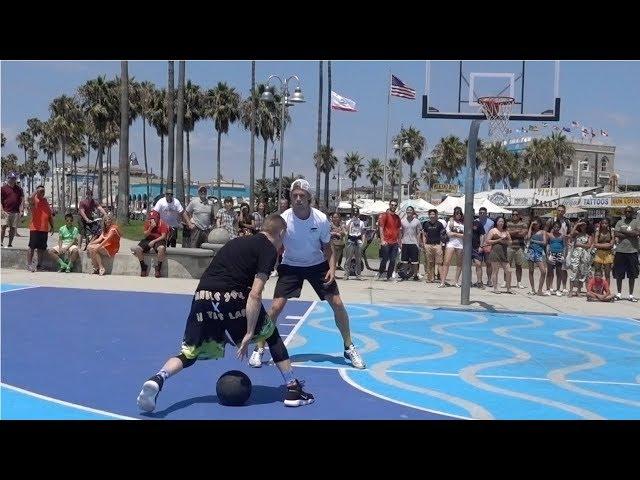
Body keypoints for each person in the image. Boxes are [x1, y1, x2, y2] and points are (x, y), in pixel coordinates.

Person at [136, 214, 314, 412]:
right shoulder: (268, 249)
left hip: (202, 297)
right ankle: (292, 389)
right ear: (281, 232)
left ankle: (158, 378)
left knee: (189, 353)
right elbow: (255, 294)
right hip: (232, 296)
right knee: (271, 334)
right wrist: (249, 333)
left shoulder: (237, 241)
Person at [248, 179, 366, 370]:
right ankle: (260, 348)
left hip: (316, 265)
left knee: (337, 303)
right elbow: (273, 246)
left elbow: (328, 248)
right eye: (294, 195)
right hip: (290, 265)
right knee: (276, 307)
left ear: (309, 198)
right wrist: (266, 268)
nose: (298, 199)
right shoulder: (283, 219)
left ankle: (348, 346)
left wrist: (332, 270)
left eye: (302, 196)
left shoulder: (320, 219)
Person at [613, 206, 640, 302]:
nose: (628, 213)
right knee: (619, 274)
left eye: (630, 212)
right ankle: (619, 293)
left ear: (632, 213)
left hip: (632, 251)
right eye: (626, 212)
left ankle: (631, 295)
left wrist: (623, 231)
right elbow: (616, 233)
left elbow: (637, 233)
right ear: (624, 213)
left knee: (632, 274)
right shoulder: (620, 222)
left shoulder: (636, 222)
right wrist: (630, 233)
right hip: (620, 251)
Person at [133, 210, 170, 277]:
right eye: (151, 218)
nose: (152, 220)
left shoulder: (162, 223)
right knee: (138, 249)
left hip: (159, 239)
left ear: (158, 218)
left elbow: (163, 236)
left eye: (154, 218)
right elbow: (145, 235)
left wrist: (154, 241)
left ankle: (158, 268)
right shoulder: (148, 223)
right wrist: (150, 227)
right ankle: (143, 266)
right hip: (148, 239)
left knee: (161, 248)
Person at [26, 185, 54, 272]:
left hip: (44, 229)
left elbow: (49, 215)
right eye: (41, 191)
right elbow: (29, 198)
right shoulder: (34, 200)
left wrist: (52, 226)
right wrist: (36, 190)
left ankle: (39, 265)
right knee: (32, 247)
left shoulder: (45, 201)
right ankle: (29, 264)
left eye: (43, 191)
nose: (42, 192)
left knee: (41, 248)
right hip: (35, 228)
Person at [377, 199, 401, 281]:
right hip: (386, 241)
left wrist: (399, 242)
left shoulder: (397, 217)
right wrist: (382, 240)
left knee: (393, 260)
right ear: (389, 205)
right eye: (392, 205)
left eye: (395, 205)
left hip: (395, 242)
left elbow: (398, 230)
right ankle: (380, 272)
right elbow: (381, 228)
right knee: (385, 259)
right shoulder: (385, 215)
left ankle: (389, 276)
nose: (393, 206)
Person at [421, 208, 444, 283]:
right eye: (430, 214)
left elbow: (442, 235)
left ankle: (441, 279)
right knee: (430, 262)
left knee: (439, 262)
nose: (432, 216)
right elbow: (424, 234)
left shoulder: (439, 224)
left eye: (433, 214)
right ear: (429, 215)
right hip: (428, 245)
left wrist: (441, 244)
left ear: (436, 215)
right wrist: (424, 244)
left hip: (437, 245)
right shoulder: (426, 224)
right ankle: (431, 278)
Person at [1, 172, 24, 248]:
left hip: (15, 212)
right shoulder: (3, 188)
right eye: (11, 178)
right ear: (8, 178)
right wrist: (1, 210)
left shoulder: (19, 189)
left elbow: (22, 200)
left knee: (13, 228)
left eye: (14, 178)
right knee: (3, 227)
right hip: (5, 211)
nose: (13, 180)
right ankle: (1, 242)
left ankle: (10, 243)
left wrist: (21, 210)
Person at [398, 206, 421, 281]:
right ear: (406, 211)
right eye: (408, 210)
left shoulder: (417, 221)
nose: (409, 211)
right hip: (405, 242)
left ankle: (415, 275)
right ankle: (405, 275)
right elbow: (400, 232)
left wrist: (418, 243)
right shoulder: (402, 221)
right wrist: (400, 242)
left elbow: (418, 233)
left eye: (410, 210)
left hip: (414, 243)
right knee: (404, 261)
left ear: (413, 211)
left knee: (414, 261)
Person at [525, 218, 547, 296]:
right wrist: (531, 225)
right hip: (531, 251)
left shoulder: (542, 232)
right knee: (531, 271)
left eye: (536, 223)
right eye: (534, 224)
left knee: (543, 271)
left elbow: (544, 242)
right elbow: (528, 237)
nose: (535, 225)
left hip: (538, 252)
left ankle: (539, 290)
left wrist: (534, 241)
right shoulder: (531, 231)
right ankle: (533, 289)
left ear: (540, 224)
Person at [343, 208, 365, 280]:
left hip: (358, 240)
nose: (355, 215)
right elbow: (346, 229)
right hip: (351, 240)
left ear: (358, 214)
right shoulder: (349, 221)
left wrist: (363, 241)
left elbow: (363, 233)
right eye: (354, 214)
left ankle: (358, 274)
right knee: (348, 258)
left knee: (358, 259)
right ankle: (346, 274)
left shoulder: (361, 222)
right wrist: (351, 221)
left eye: (356, 214)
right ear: (352, 214)